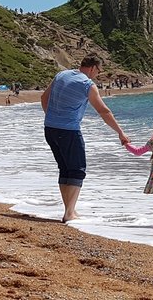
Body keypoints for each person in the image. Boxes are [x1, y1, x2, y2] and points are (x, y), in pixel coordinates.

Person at [41, 54, 130, 223]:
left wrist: (53, 117)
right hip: (68, 131)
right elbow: (104, 111)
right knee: (77, 170)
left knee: (65, 169)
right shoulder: (87, 84)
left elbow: (44, 98)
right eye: (98, 70)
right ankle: (69, 213)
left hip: (50, 128)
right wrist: (120, 132)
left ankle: (69, 210)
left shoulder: (61, 75)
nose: (97, 74)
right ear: (92, 68)